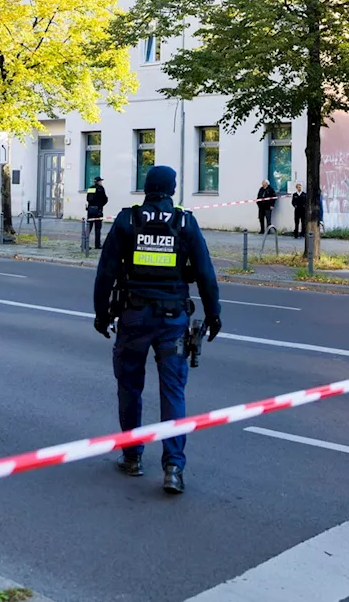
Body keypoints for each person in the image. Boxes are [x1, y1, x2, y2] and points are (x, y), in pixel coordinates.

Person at [93, 165, 221, 494]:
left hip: (134, 318)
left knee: (129, 388)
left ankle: (133, 457)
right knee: (173, 393)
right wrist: (214, 314)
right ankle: (174, 468)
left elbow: (106, 271)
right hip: (173, 321)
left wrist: (101, 314)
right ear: (171, 189)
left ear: (147, 188)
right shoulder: (184, 221)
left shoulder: (127, 220)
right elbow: (206, 273)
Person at [86, 176, 109, 249]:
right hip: (98, 211)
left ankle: (84, 244)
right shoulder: (101, 189)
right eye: (100, 181)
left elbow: (88, 199)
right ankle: (97, 244)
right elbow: (105, 199)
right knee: (98, 228)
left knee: (89, 227)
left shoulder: (90, 188)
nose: (101, 182)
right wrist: (100, 206)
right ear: (98, 182)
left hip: (90, 210)